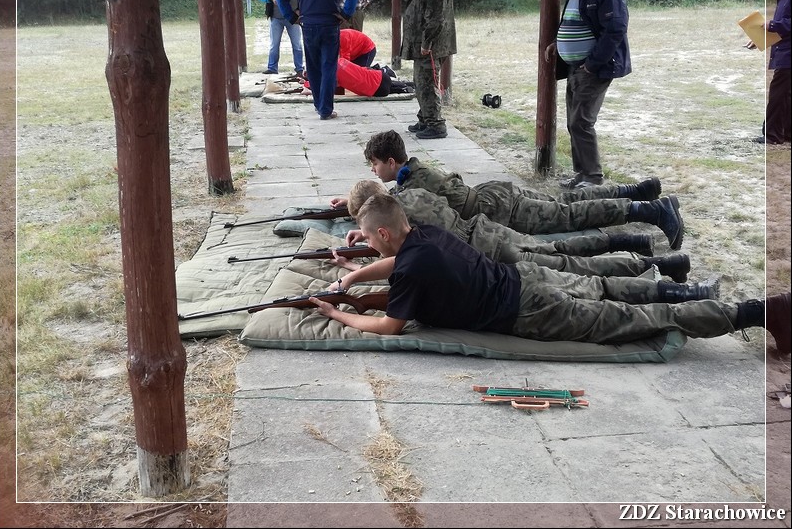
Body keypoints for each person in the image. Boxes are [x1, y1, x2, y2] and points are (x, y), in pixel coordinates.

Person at [309, 193, 790, 356]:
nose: (367, 246)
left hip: (528, 310)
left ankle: (755, 312)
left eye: (368, 238)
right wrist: (351, 280)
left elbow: (389, 327)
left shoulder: (412, 267)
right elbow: (397, 263)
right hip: (525, 279)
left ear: (385, 234)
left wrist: (339, 314)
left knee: (630, 320)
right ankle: (682, 286)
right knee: (605, 288)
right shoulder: (425, 235)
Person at [347, 130, 684, 250]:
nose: (374, 170)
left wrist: (360, 210)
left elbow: (387, 211)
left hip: (502, 210)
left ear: (390, 162)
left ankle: (652, 210)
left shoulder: (410, 187)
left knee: (570, 215)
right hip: (497, 195)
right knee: (566, 202)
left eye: (374, 164)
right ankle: (637, 191)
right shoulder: (414, 169)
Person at [337, 179, 699, 285]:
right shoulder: (409, 196)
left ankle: (647, 222)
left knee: (570, 257)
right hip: (488, 227)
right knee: (564, 238)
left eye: (368, 231)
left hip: (491, 246)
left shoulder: (400, 219)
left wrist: (355, 271)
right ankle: (639, 231)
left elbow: (399, 254)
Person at [545, 0, 631, 189]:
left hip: (593, 68)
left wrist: (592, 65)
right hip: (574, 68)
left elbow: (615, 30)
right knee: (573, 122)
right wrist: (558, 43)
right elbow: (576, 22)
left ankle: (593, 177)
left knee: (581, 122)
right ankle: (582, 174)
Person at [276, 0, 358, 121]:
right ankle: (325, 109)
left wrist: (291, 16)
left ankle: (318, 104)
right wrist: (345, 14)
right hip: (330, 24)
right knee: (328, 66)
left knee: (313, 67)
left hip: (308, 25)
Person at [401, 0, 457, 140]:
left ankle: (436, 124)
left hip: (432, 45)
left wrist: (427, 43)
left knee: (427, 84)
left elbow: (435, 18)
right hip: (423, 44)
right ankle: (425, 119)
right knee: (420, 82)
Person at [748, 0, 790, 145]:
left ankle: (772, 136)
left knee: (778, 94)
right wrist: (760, 38)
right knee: (785, 94)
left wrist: (771, 25)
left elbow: (784, 24)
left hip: (788, 53)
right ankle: (785, 133)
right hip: (785, 50)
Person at [257, 0, 304, 77]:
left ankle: (299, 69)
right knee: (274, 44)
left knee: (297, 44)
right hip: (276, 17)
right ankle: (272, 68)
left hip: (293, 17)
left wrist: (299, 9)